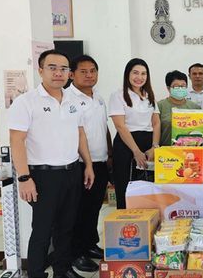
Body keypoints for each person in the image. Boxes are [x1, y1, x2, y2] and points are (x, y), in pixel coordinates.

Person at [9, 49, 95, 278]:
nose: (59, 73)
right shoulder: (26, 102)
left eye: (64, 69)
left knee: (67, 228)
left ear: (69, 73)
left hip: (72, 171)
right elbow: (17, 140)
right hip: (42, 176)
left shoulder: (73, 100)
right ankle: (36, 274)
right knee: (42, 231)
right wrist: (24, 178)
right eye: (52, 68)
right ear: (40, 71)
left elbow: (80, 134)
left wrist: (87, 164)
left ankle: (62, 270)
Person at [68, 55, 111, 272]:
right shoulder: (68, 99)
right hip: (82, 164)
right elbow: (76, 134)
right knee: (79, 210)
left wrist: (109, 154)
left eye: (93, 70)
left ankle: (89, 244)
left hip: (101, 161)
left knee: (94, 207)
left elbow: (103, 129)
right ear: (72, 74)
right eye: (83, 71)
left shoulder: (99, 97)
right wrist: (87, 164)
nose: (89, 75)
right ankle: (76, 254)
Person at [109, 58, 160, 209]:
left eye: (144, 74)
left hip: (148, 142)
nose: (140, 77)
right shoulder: (118, 95)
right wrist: (136, 151)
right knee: (126, 186)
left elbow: (156, 123)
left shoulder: (149, 95)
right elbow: (120, 125)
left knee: (148, 185)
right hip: (127, 144)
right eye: (135, 73)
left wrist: (154, 146)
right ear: (128, 74)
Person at [158, 70, 200, 146]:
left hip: (190, 150)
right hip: (166, 150)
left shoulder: (195, 107)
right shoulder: (160, 106)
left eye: (183, 86)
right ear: (168, 88)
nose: (180, 88)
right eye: (176, 86)